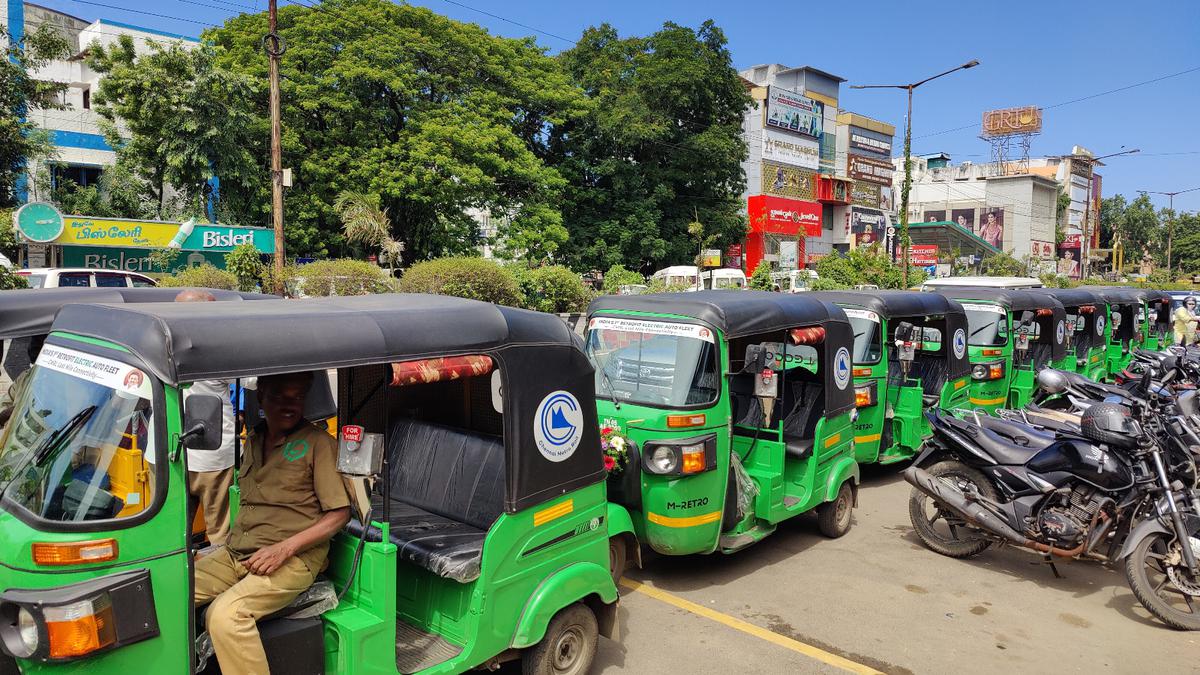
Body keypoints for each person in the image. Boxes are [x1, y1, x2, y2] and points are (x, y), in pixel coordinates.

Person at [194, 371, 349, 675]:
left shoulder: (318, 443)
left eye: (297, 397)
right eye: (279, 396)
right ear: (261, 398)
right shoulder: (253, 438)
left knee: (225, 616)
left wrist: (284, 549)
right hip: (238, 552)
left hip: (293, 559)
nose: (289, 405)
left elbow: (339, 514)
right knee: (170, 588)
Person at [174, 289, 240, 546]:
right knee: (220, 532)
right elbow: (253, 381)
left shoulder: (156, 342)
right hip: (213, 455)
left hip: (168, 452)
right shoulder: (219, 345)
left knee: (174, 531)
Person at [0, 336, 44, 429]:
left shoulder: (63, 384)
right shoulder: (25, 377)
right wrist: (7, 414)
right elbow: (4, 403)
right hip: (13, 438)